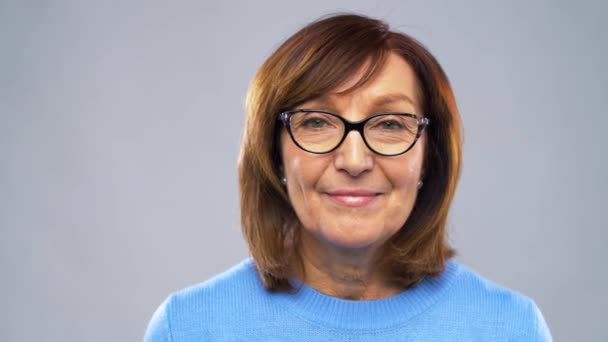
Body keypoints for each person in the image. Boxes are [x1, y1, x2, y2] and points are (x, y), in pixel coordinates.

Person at [145, 13, 552, 341]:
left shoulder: (511, 329)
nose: (354, 160)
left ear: (429, 156)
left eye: (390, 124)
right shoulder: (188, 328)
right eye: (317, 122)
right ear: (274, 154)